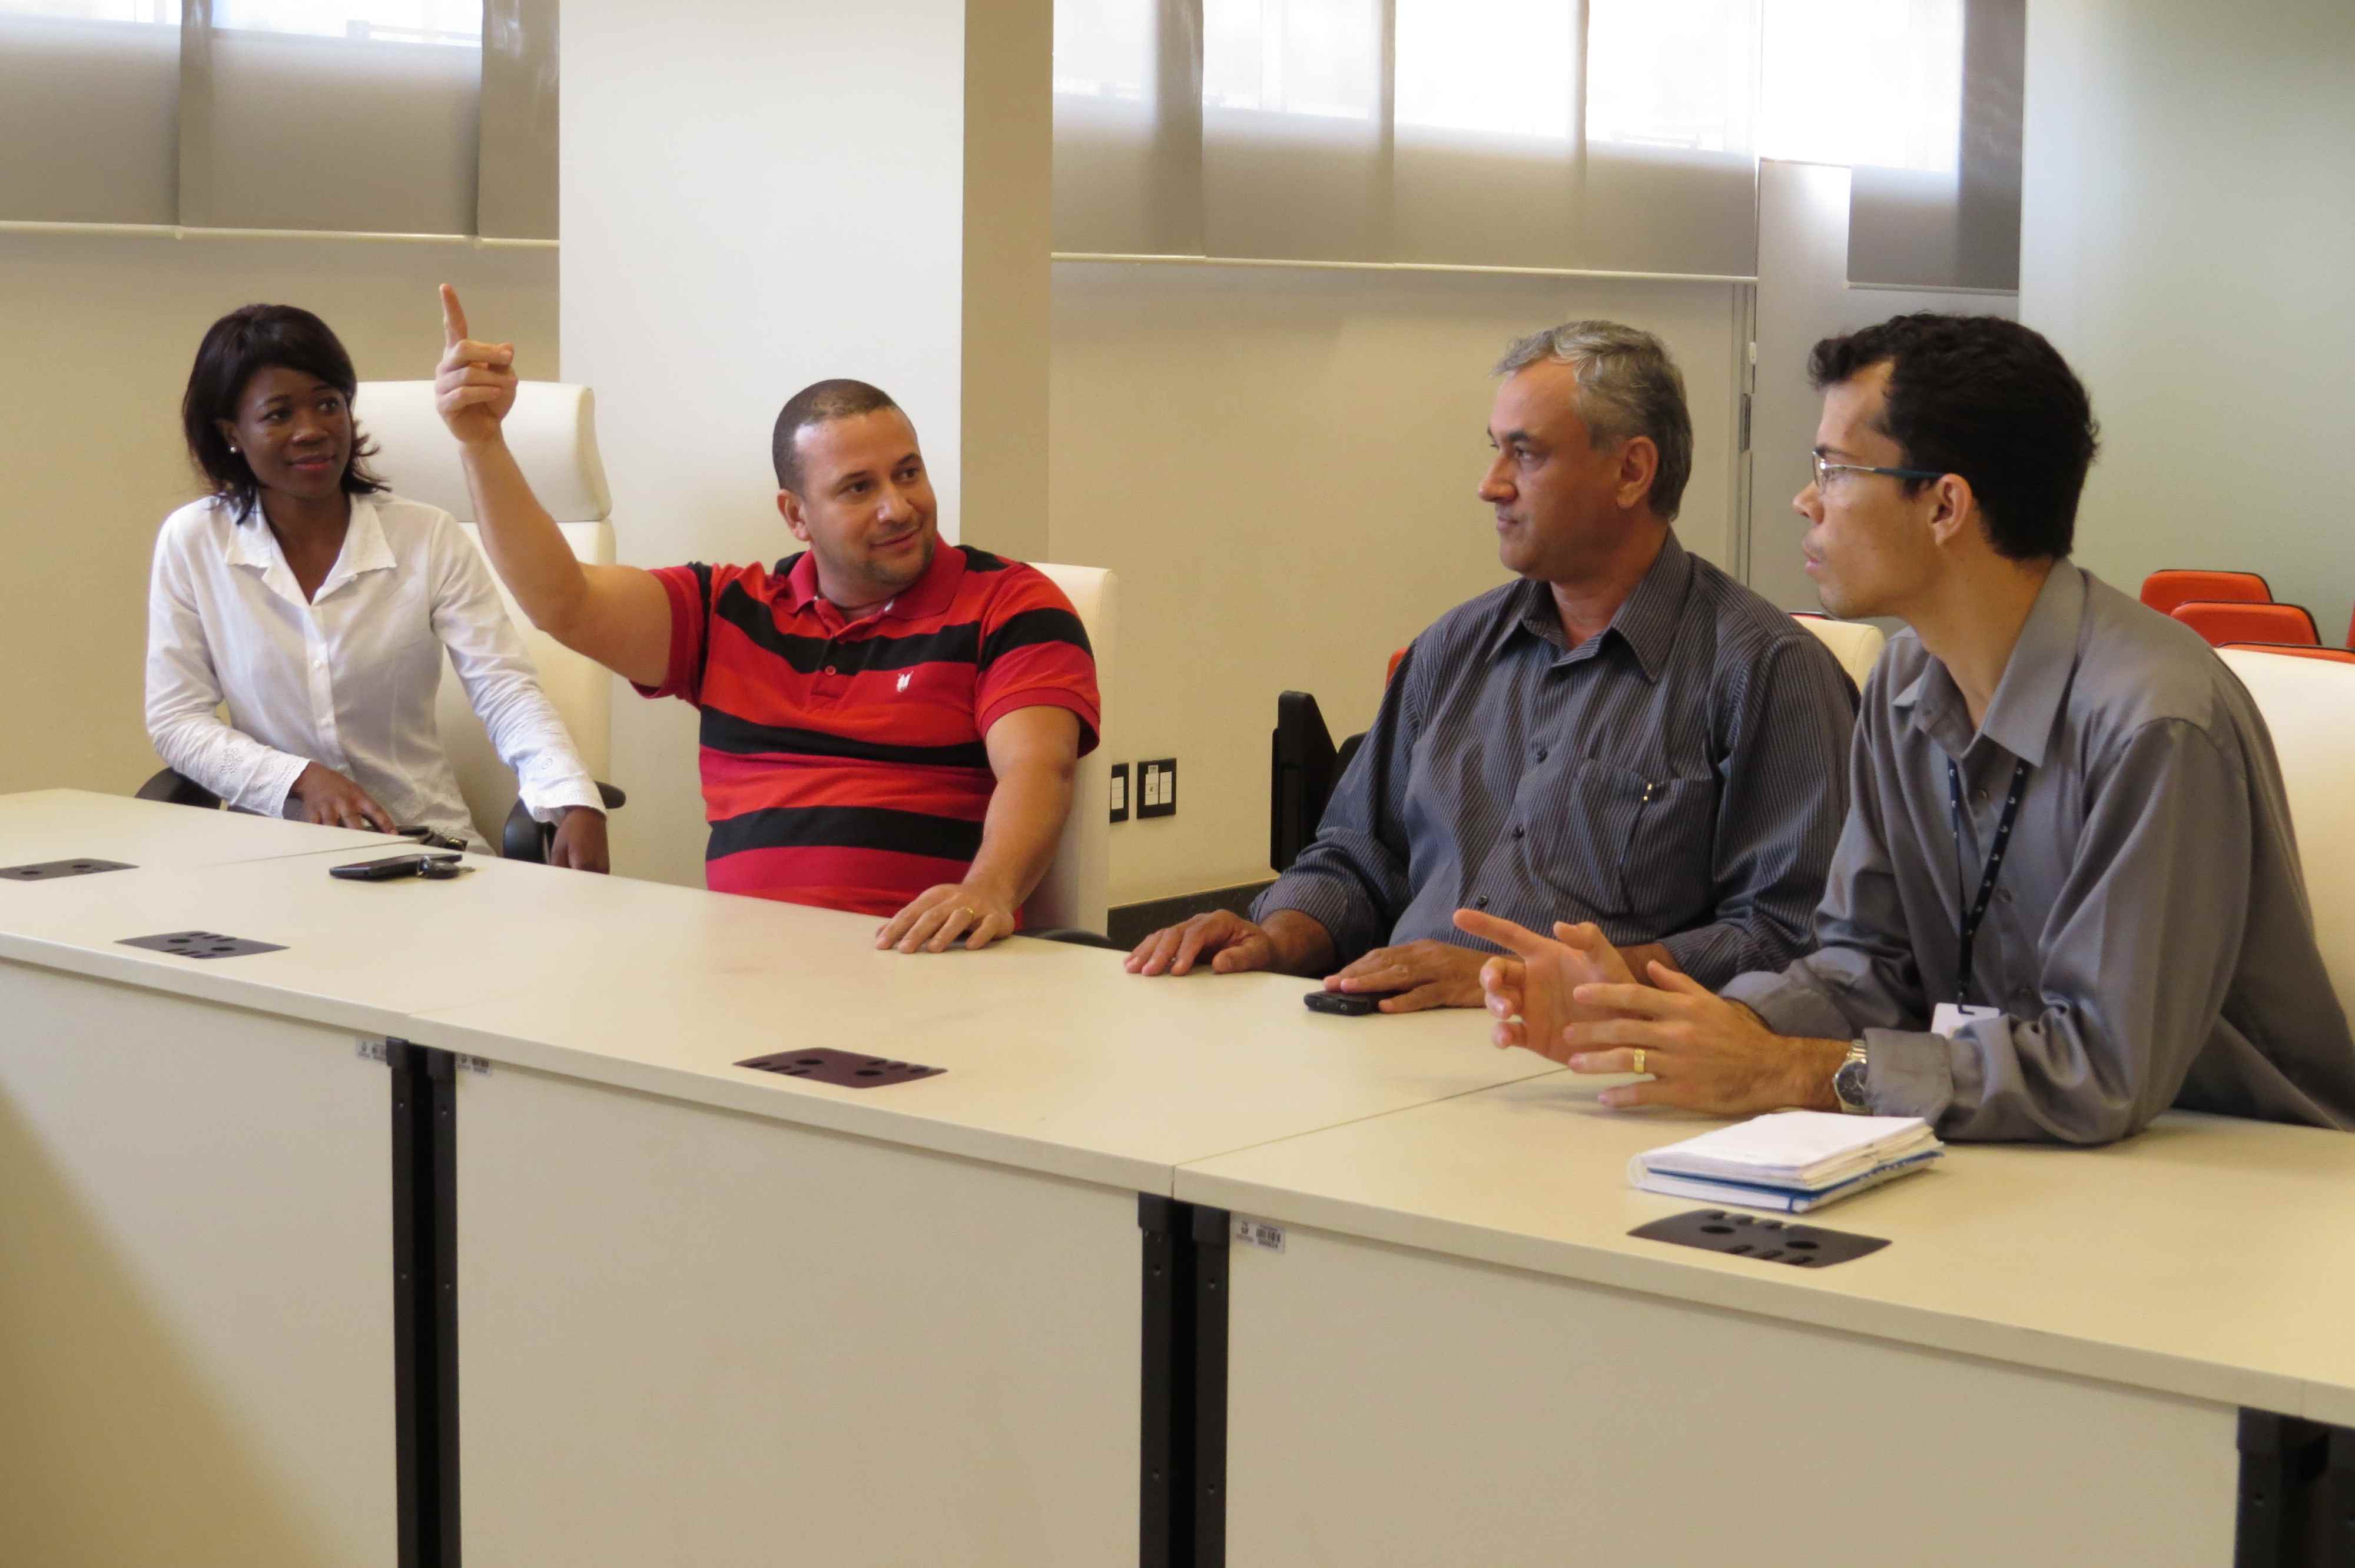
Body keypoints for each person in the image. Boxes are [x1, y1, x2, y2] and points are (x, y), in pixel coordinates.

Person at [1470, 313, 2355, 1142]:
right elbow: (1863, 969)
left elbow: (2099, 1069)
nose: (1805, 502)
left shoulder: (2154, 720)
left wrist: (1795, 1073)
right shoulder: (1904, 684)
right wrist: (1673, 1023)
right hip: (2008, 1145)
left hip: (2235, 1163)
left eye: (1832, 470)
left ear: (1944, 507)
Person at [1127, 321, 1858, 1009]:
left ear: (1632, 471)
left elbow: (1787, 938)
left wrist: (1531, 979)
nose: (1492, 484)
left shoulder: (1764, 671)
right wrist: (1276, 936)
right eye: (1495, 450)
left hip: (1595, 1063)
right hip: (1398, 1042)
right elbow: (1356, 855)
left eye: (1526, 454)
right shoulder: (1453, 647)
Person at [431, 287, 1099, 952]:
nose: (897, 507)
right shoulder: (729, 608)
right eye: (859, 488)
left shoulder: (1012, 604)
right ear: (796, 515)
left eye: (908, 474)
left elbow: (1038, 771)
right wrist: (482, 443)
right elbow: (563, 601)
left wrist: (988, 890)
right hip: (741, 966)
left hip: (921, 957)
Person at [147, 303, 609, 866]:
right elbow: (176, 719)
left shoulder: (427, 536)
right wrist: (299, 779)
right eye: (279, 414)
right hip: (272, 860)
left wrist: (570, 795)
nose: (311, 430)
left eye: (328, 404)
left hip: (423, 851)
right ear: (232, 434)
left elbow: (504, 690)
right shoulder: (195, 541)